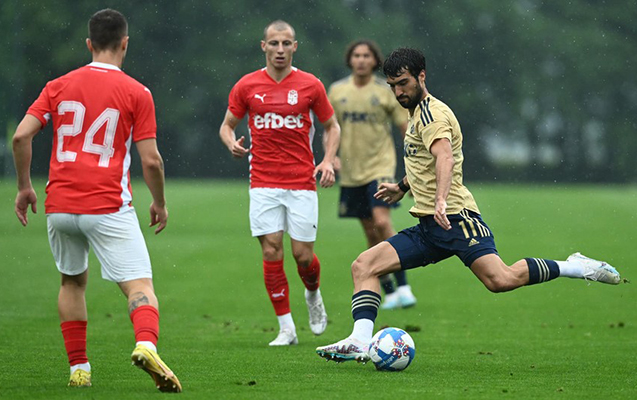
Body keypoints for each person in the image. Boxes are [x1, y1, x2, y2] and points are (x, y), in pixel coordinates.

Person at [315, 47, 622, 362]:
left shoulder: (432, 114)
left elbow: (444, 157)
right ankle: (359, 340)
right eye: (393, 85)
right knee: (364, 265)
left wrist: (440, 199)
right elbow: (423, 161)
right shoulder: (415, 112)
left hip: (457, 219)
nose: (398, 92)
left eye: (403, 83)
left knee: (500, 280)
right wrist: (402, 186)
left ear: (421, 76)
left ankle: (576, 266)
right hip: (429, 226)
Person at [12, 9, 181, 392]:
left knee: (72, 283)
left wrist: (24, 186)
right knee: (139, 286)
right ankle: (146, 345)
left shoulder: (58, 85)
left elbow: (21, 136)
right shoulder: (137, 92)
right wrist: (159, 202)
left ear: (89, 43)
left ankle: (79, 369)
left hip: (59, 205)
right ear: (125, 43)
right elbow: (151, 160)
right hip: (107, 204)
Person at [219, 20, 341, 346]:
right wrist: (231, 143)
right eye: (274, 43)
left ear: (295, 47)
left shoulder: (310, 85)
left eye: (286, 43)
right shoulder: (247, 85)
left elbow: (332, 126)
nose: (280, 50)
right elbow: (227, 125)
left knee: (302, 256)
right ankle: (286, 328)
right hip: (263, 181)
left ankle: (313, 294)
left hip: (301, 181)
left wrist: (328, 160)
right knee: (272, 249)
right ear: (264, 46)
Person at [328, 39, 416, 310]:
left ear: (374, 60)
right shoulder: (337, 91)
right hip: (352, 171)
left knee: (382, 221)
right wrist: (330, 157)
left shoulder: (385, 91)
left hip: (380, 167)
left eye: (366, 55)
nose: (361, 60)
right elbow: (330, 128)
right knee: (370, 231)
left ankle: (404, 286)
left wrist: (414, 164)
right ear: (350, 60)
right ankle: (389, 292)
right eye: (357, 55)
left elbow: (406, 128)